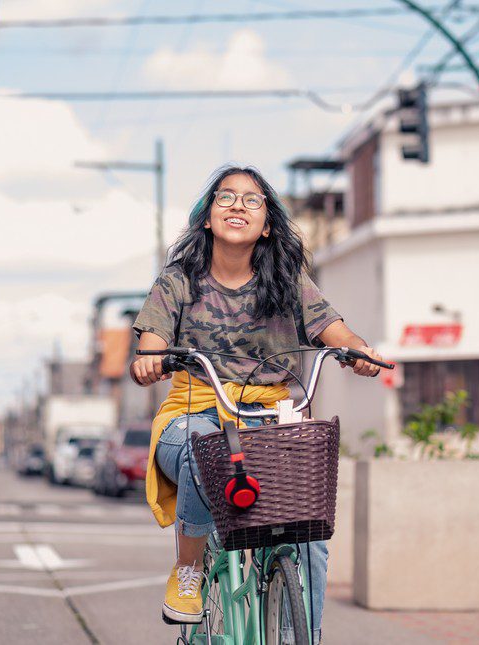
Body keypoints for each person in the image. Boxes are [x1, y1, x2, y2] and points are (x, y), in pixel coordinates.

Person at [130, 165, 385, 642]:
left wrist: (358, 351)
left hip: (267, 420)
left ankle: (298, 637)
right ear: (207, 217)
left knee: (310, 536)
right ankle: (188, 570)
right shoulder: (178, 281)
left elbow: (336, 329)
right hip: (193, 415)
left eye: (252, 200)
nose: (238, 206)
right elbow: (152, 339)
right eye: (226, 198)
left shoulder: (288, 281)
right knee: (205, 444)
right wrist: (149, 358)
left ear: (267, 223)